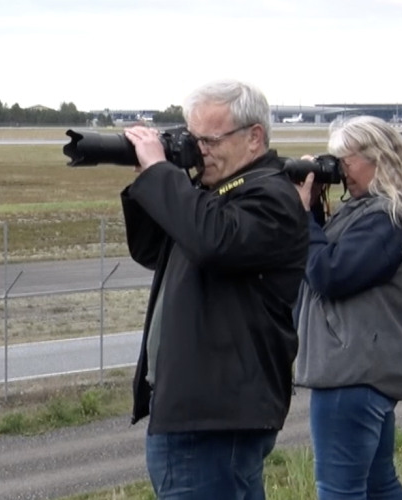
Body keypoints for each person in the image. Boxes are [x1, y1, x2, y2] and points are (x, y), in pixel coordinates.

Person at [119, 79, 310, 499]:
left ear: (254, 137)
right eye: (193, 139)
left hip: (215, 418)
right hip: (198, 412)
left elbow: (213, 241)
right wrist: (150, 181)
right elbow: (154, 250)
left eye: (209, 140)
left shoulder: (271, 196)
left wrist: (162, 175)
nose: (198, 149)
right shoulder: (214, 195)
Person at [292, 115, 402, 500]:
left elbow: (329, 273)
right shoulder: (372, 211)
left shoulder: (385, 218)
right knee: (378, 485)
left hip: (350, 375)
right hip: (362, 371)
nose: (341, 170)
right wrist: (312, 212)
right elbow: (328, 256)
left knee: (339, 491)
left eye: (347, 159)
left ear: (378, 158)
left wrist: (299, 215)